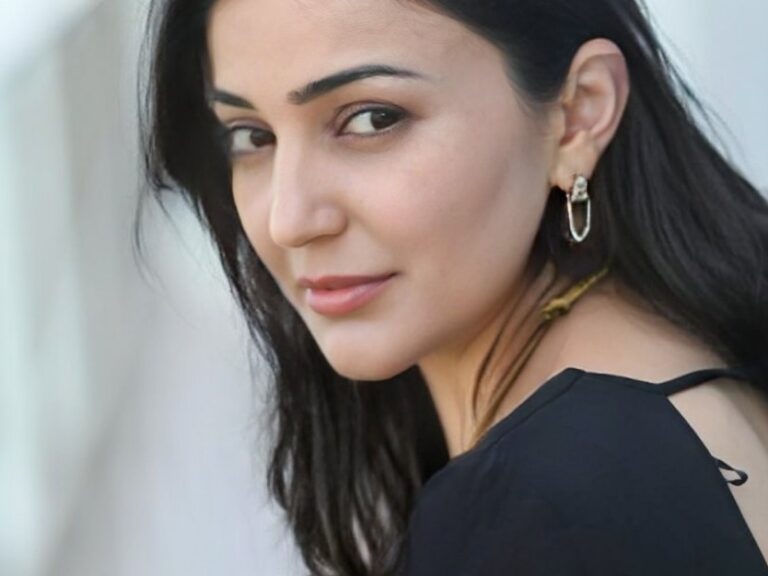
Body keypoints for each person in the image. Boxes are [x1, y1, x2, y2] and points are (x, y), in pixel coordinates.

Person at [139, 0, 768, 574]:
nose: (289, 220)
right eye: (251, 136)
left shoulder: (543, 504)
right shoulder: (684, 362)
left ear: (578, 114)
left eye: (372, 119)